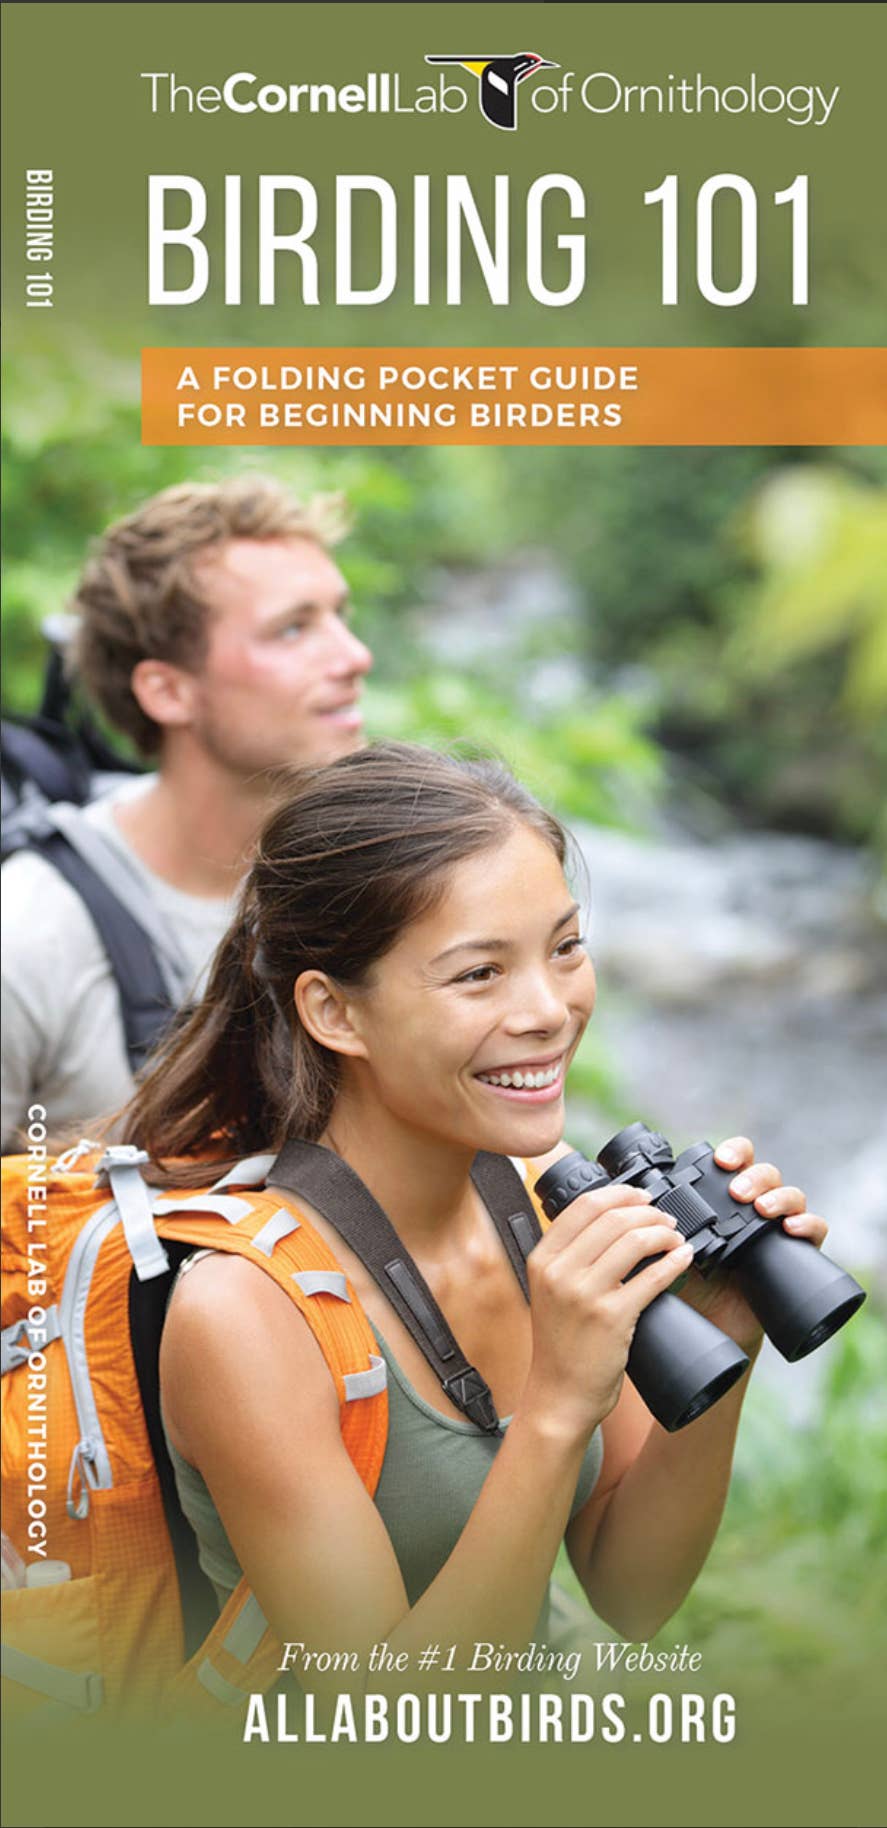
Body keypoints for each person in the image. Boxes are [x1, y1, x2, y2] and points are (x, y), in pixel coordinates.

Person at [117, 743, 827, 1697]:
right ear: (335, 1011)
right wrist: (556, 1407)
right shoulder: (244, 1315)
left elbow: (632, 1590)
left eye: (565, 947)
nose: (549, 1010)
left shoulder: (541, 1201)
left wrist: (723, 1328)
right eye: (477, 975)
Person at [0, 476, 373, 1149]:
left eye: (339, 616)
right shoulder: (27, 938)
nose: (353, 656)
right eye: (292, 628)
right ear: (168, 691)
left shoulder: (378, 886)